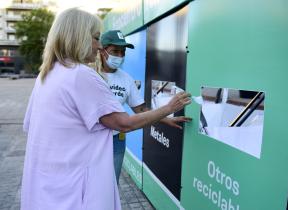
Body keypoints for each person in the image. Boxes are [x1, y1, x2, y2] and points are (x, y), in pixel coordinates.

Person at [21, 8, 191, 210]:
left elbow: (29, 125)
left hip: (50, 186)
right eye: (95, 38)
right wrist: (169, 108)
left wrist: (164, 117)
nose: (98, 45)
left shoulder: (47, 75)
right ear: (78, 37)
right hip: (75, 190)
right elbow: (123, 123)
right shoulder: (80, 75)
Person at [98, 30, 192, 183]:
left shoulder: (126, 79)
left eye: (123, 52)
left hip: (116, 141)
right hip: (91, 139)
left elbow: (141, 110)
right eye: (115, 51)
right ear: (102, 50)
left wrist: (167, 119)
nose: (120, 56)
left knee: (110, 184)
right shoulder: (90, 74)